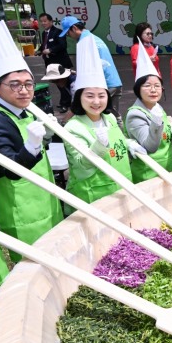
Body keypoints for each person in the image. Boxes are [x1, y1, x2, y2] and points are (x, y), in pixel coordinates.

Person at [0, 21, 63, 292]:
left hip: (45, 199)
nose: (24, 90)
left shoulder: (28, 110)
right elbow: (7, 169)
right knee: (33, 267)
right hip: (21, 208)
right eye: (15, 85)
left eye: (28, 84)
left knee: (55, 255)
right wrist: (32, 145)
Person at [63, 36, 145, 215]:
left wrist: (129, 143)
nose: (96, 101)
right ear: (79, 98)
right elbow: (80, 167)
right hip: (93, 195)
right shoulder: (72, 128)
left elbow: (120, 140)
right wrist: (98, 147)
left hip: (122, 186)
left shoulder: (110, 118)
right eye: (89, 96)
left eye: (101, 95)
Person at [60, 17, 124, 126]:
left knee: (89, 107)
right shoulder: (94, 38)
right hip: (114, 81)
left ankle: (63, 125)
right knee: (114, 114)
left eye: (68, 33)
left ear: (74, 28)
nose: (69, 36)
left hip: (104, 83)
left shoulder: (84, 42)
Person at [125, 43, 172, 183]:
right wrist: (157, 122)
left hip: (167, 166)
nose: (153, 90)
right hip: (149, 174)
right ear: (138, 90)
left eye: (157, 86)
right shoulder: (135, 114)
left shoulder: (156, 106)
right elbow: (150, 146)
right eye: (147, 86)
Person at [37, 13, 73, 112]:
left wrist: (51, 50)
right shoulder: (44, 33)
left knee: (64, 84)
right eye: (41, 21)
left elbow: (62, 45)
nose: (43, 23)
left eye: (45, 21)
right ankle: (66, 102)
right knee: (59, 85)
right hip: (50, 64)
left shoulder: (58, 32)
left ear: (51, 21)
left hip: (61, 63)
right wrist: (39, 50)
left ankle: (66, 104)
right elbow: (44, 45)